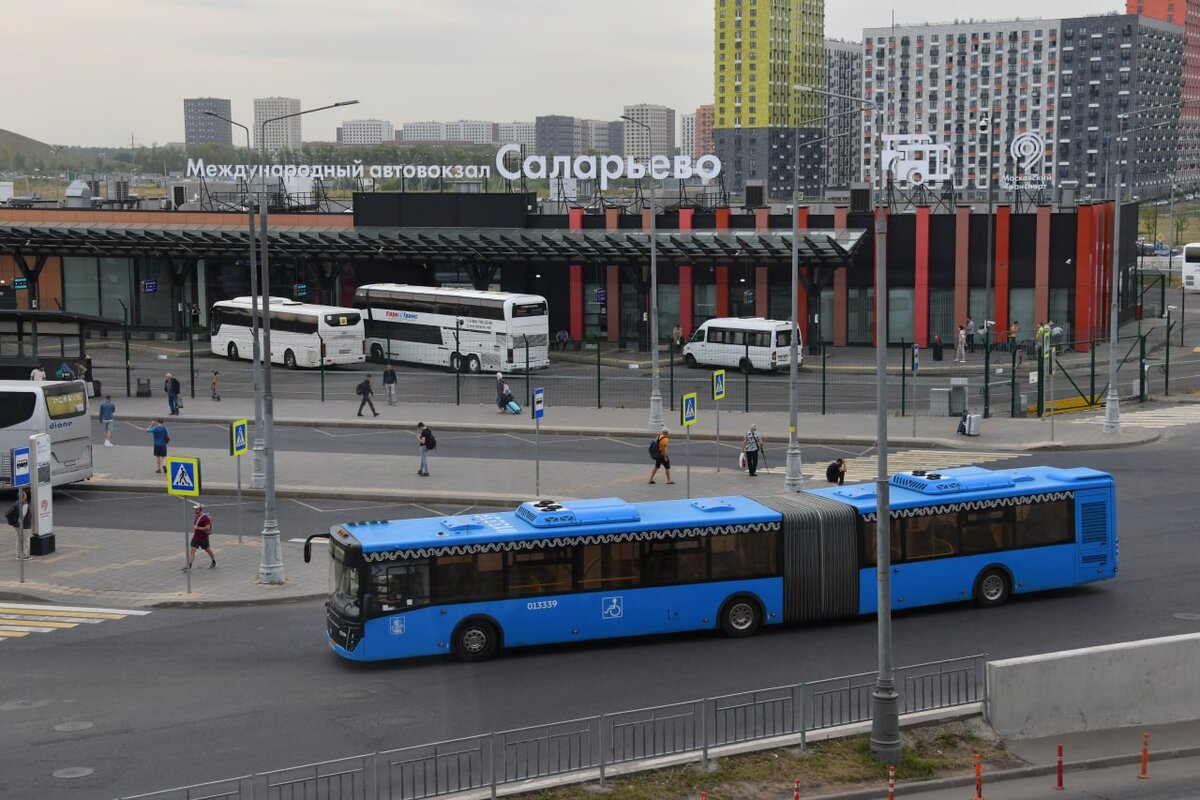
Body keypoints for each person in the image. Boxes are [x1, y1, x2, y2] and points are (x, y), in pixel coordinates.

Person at [182, 503, 216, 571]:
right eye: (194, 509)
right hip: (196, 537)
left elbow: (207, 528)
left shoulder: (205, 518)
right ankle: (189, 566)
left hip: (203, 538)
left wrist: (198, 528)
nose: (195, 510)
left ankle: (214, 561)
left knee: (207, 550)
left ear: (200, 509)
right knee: (192, 550)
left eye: (196, 509)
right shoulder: (196, 516)